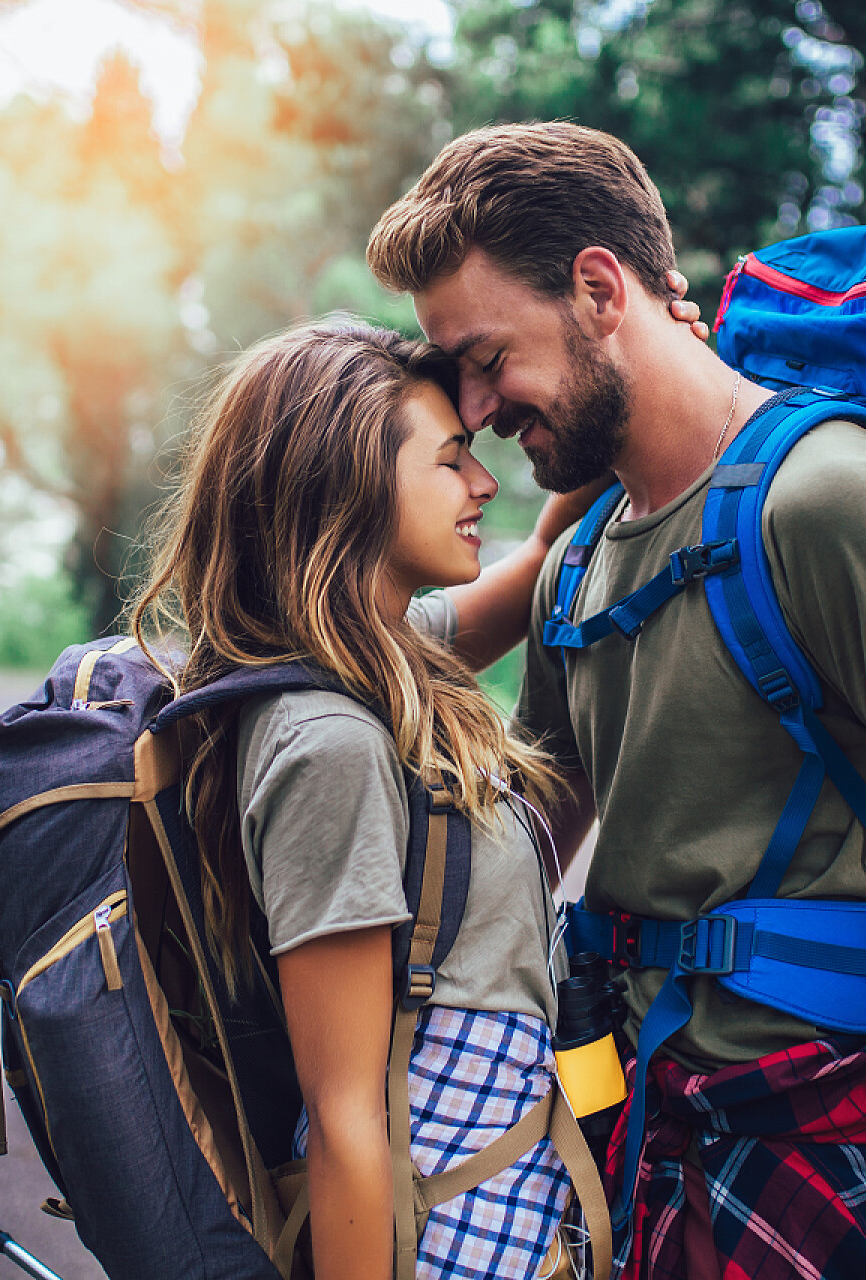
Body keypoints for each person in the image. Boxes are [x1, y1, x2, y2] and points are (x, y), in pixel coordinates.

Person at [367, 123, 866, 1280]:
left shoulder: (834, 498)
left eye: (486, 354)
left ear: (600, 288)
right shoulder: (582, 560)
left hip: (822, 1154)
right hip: (634, 1133)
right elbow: (532, 845)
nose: (473, 402)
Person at [127, 319, 597, 1280]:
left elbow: (541, 555)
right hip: (447, 1247)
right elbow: (345, 1118)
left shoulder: (378, 661)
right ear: (351, 493)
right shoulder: (328, 744)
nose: (483, 485)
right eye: (451, 461)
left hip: (504, 1216)